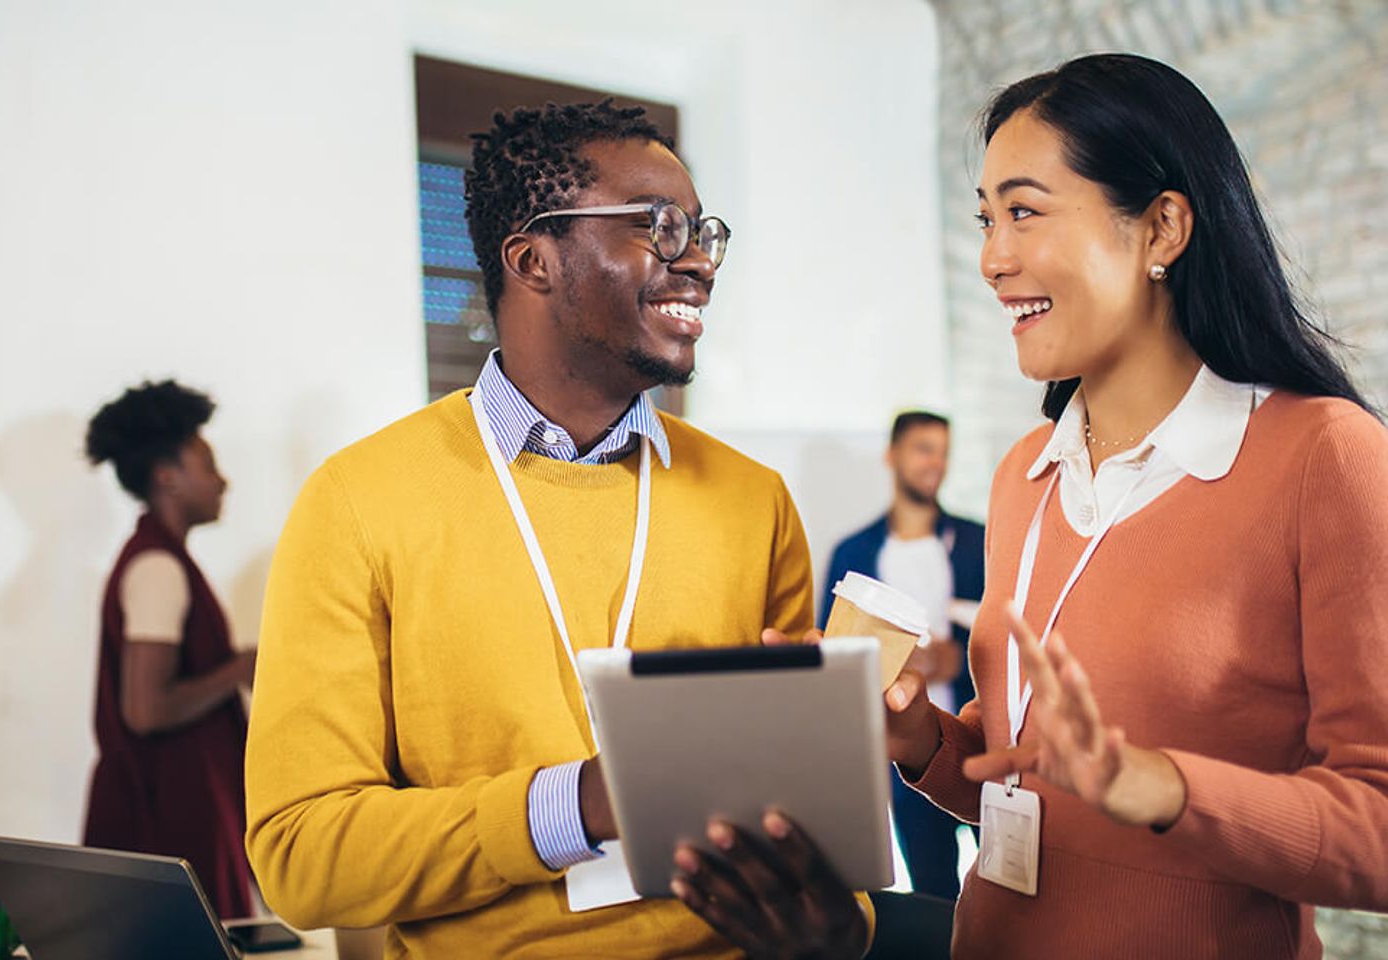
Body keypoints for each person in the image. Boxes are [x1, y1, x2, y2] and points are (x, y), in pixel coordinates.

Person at [673, 53, 1388, 960]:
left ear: (1162, 226)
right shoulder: (1025, 475)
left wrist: (1161, 787)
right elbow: (1023, 784)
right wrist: (919, 734)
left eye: (1024, 211)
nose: (992, 258)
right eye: (984, 220)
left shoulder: (1324, 456)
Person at [243, 101, 870, 958]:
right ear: (533, 259)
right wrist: (576, 805)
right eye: (658, 227)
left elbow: (812, 821)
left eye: (704, 233)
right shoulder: (357, 501)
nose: (698, 263)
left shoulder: (753, 500)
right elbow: (302, 859)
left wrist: (840, 924)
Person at [83, 380, 257, 920]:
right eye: (207, 464)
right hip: (166, 814)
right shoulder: (157, 567)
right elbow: (146, 708)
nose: (222, 480)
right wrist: (240, 668)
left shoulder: (161, 558)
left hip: (176, 802)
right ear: (167, 477)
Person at [821, 410, 984, 900]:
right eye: (922, 449)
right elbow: (834, 655)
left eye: (942, 451)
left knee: (1007, 885)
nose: (935, 462)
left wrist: (967, 656)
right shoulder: (854, 552)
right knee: (932, 892)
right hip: (904, 752)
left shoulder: (980, 542)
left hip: (982, 744)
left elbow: (1017, 629)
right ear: (892, 456)